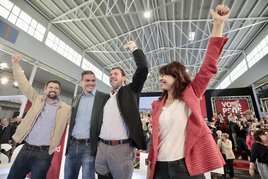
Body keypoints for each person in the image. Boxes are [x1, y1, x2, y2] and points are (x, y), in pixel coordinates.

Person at [147, 4, 230, 179]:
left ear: (177, 77)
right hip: (159, 168)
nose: (161, 78)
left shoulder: (190, 93)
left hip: (184, 167)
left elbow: (209, 66)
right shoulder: (157, 105)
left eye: (166, 75)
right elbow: (156, 140)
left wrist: (218, 25)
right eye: (160, 75)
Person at [7, 54, 71, 179]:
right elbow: (24, 84)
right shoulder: (37, 99)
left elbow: (76, 123)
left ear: (59, 92)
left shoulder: (66, 109)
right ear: (45, 89)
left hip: (44, 153)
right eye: (51, 87)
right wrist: (16, 65)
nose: (53, 90)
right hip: (25, 149)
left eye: (56, 88)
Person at [95, 41, 148, 179]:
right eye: (110, 74)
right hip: (102, 147)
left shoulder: (131, 91)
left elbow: (143, 68)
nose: (112, 75)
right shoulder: (106, 98)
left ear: (123, 78)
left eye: (116, 74)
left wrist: (134, 49)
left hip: (121, 149)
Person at [64, 70, 109, 179]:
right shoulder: (76, 98)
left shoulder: (103, 97)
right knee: (68, 176)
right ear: (81, 82)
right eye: (87, 80)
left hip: (89, 146)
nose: (91, 83)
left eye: (93, 80)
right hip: (72, 145)